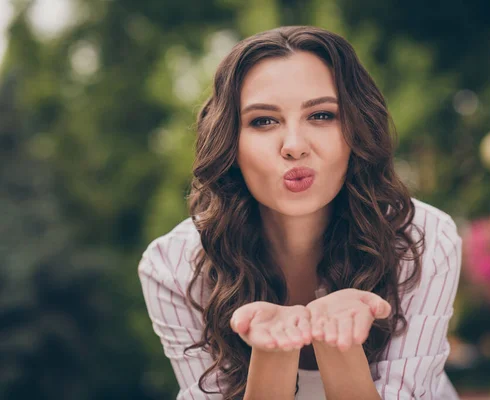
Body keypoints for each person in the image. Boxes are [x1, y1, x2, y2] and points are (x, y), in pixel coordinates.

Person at [138, 26, 462, 400]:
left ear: (357, 130)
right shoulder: (174, 265)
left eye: (322, 115)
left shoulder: (421, 238)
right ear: (230, 143)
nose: (294, 147)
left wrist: (338, 344)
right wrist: (272, 354)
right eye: (263, 121)